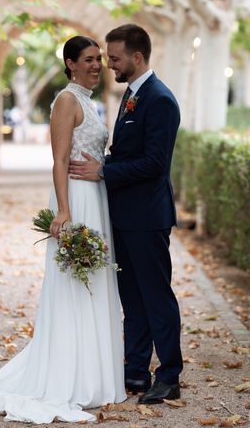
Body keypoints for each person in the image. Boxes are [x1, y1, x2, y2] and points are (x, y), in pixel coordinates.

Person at [0, 36, 126, 423]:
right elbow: (59, 161)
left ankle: (93, 374)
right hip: (76, 201)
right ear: (71, 63)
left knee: (94, 280)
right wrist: (64, 210)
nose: (98, 65)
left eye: (100, 60)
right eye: (90, 60)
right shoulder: (65, 101)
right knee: (74, 283)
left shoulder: (90, 102)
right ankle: (69, 376)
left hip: (97, 199)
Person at [69, 24, 183, 404]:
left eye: (114, 58)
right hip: (124, 216)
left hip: (148, 218)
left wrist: (103, 170)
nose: (109, 64)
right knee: (131, 298)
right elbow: (130, 152)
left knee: (156, 296)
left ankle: (169, 374)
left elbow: (155, 164)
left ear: (137, 56)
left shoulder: (161, 99)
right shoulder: (133, 95)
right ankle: (135, 371)